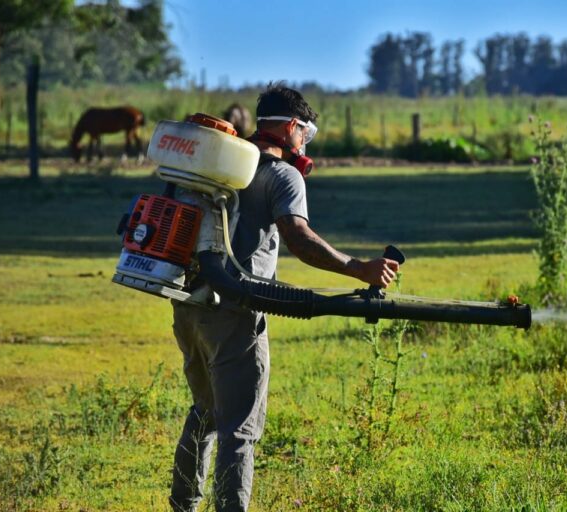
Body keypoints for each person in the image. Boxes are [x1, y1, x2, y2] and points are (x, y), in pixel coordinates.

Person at [169, 83, 400, 512]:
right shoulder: (282, 175)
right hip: (236, 312)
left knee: (205, 408)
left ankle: (183, 505)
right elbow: (300, 238)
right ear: (293, 128)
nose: (304, 144)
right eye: (305, 134)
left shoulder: (220, 163)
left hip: (187, 303)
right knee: (239, 427)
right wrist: (359, 268)